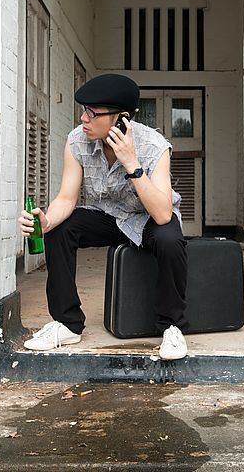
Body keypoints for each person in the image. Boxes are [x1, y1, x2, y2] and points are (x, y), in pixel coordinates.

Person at [18, 73, 189, 360]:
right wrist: (47, 221)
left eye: (92, 113)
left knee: (170, 238)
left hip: (147, 217)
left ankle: (171, 327)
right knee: (61, 228)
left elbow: (161, 214)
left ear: (121, 119)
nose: (84, 118)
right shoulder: (77, 141)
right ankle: (67, 323)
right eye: (84, 111)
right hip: (109, 217)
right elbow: (66, 198)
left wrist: (131, 162)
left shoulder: (154, 146)